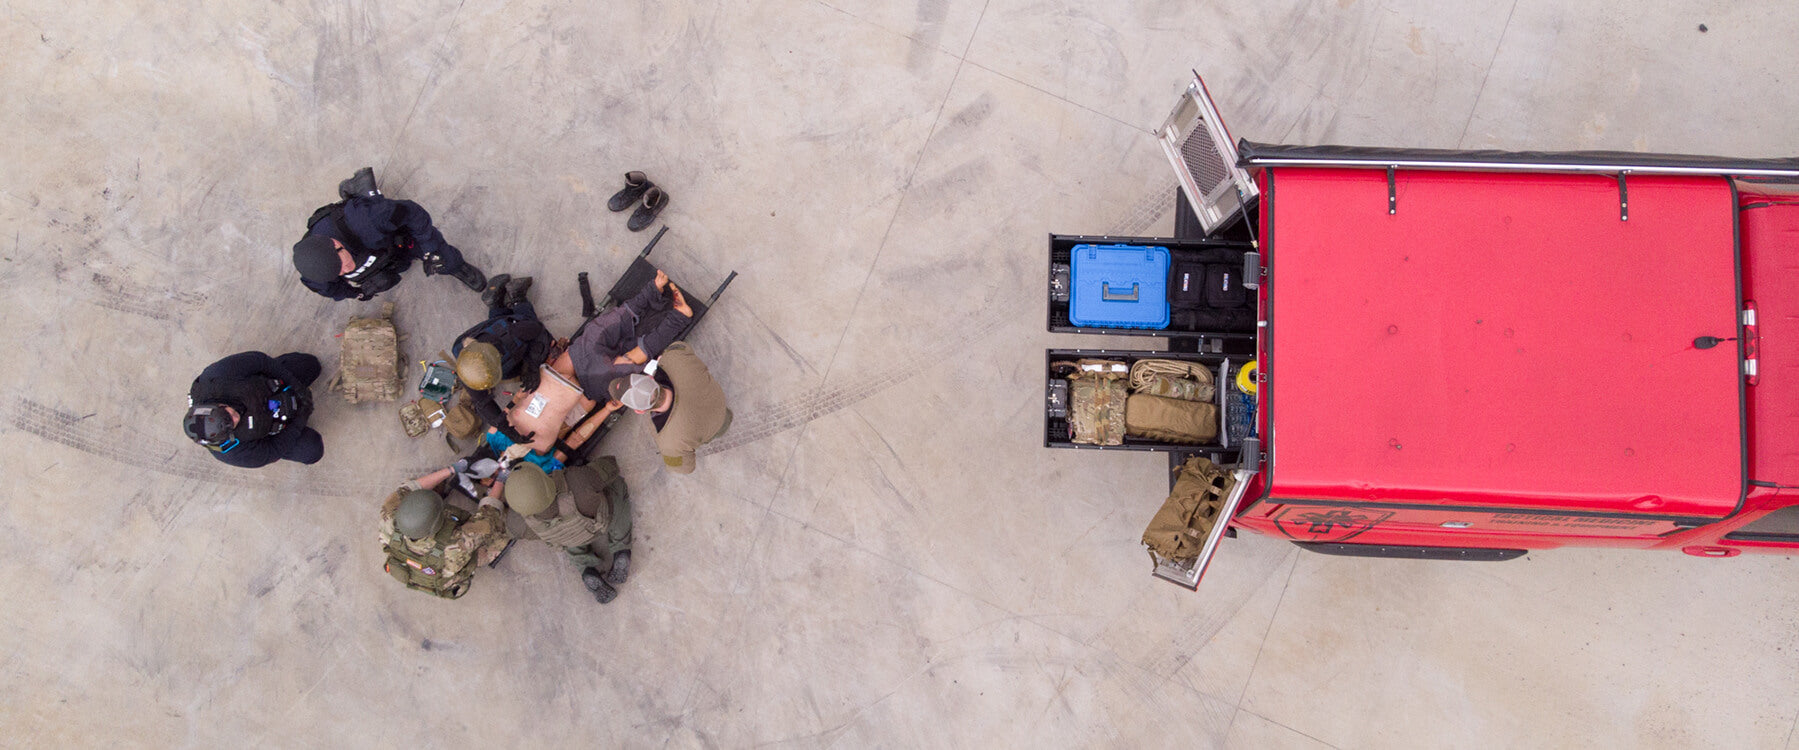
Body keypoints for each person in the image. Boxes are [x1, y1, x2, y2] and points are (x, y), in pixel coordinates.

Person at [290, 167, 487, 300]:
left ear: (335, 244)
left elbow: (413, 214)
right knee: (399, 265)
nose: (345, 269)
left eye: (340, 263)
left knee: (441, 257)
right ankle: (358, 192)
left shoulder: (367, 220)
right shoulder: (317, 272)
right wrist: (360, 292)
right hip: (381, 255)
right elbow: (333, 290)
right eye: (338, 272)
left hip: (394, 237)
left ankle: (455, 266)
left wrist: (429, 249)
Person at [503, 461, 633, 603]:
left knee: (569, 540)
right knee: (617, 486)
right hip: (597, 521)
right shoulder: (576, 480)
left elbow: (512, 529)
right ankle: (621, 549)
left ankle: (586, 568)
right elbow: (611, 466)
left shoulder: (516, 523)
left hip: (569, 538)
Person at [378, 465, 511, 600]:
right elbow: (488, 517)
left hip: (410, 564)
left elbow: (408, 488)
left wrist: (452, 469)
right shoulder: (456, 545)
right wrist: (500, 479)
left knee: (419, 493)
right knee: (496, 535)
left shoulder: (388, 514)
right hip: (446, 570)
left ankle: (439, 486)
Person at [453, 273, 554, 441]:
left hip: (510, 329)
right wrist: (507, 430)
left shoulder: (512, 333)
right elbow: (483, 404)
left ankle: (517, 298)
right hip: (486, 335)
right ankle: (497, 305)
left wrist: (533, 365)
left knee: (539, 336)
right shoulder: (469, 371)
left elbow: (537, 329)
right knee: (509, 333)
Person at [183, 351, 323, 468]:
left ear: (215, 404)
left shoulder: (216, 377)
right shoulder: (232, 452)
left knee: (310, 365)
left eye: (228, 413)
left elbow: (261, 361)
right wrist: (300, 419)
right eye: (231, 424)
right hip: (276, 427)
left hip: (270, 386)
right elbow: (274, 449)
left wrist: (296, 386)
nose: (235, 417)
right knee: (313, 451)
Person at [608, 341, 730, 474]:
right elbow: (680, 345)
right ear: (650, 377)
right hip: (721, 406)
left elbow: (685, 468)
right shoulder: (675, 359)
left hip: (713, 429)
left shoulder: (668, 443)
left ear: (640, 410)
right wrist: (664, 361)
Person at [566, 269, 692, 394]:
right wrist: (607, 410)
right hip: (587, 389)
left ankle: (649, 294)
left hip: (573, 360)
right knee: (622, 364)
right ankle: (678, 319)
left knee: (595, 331)